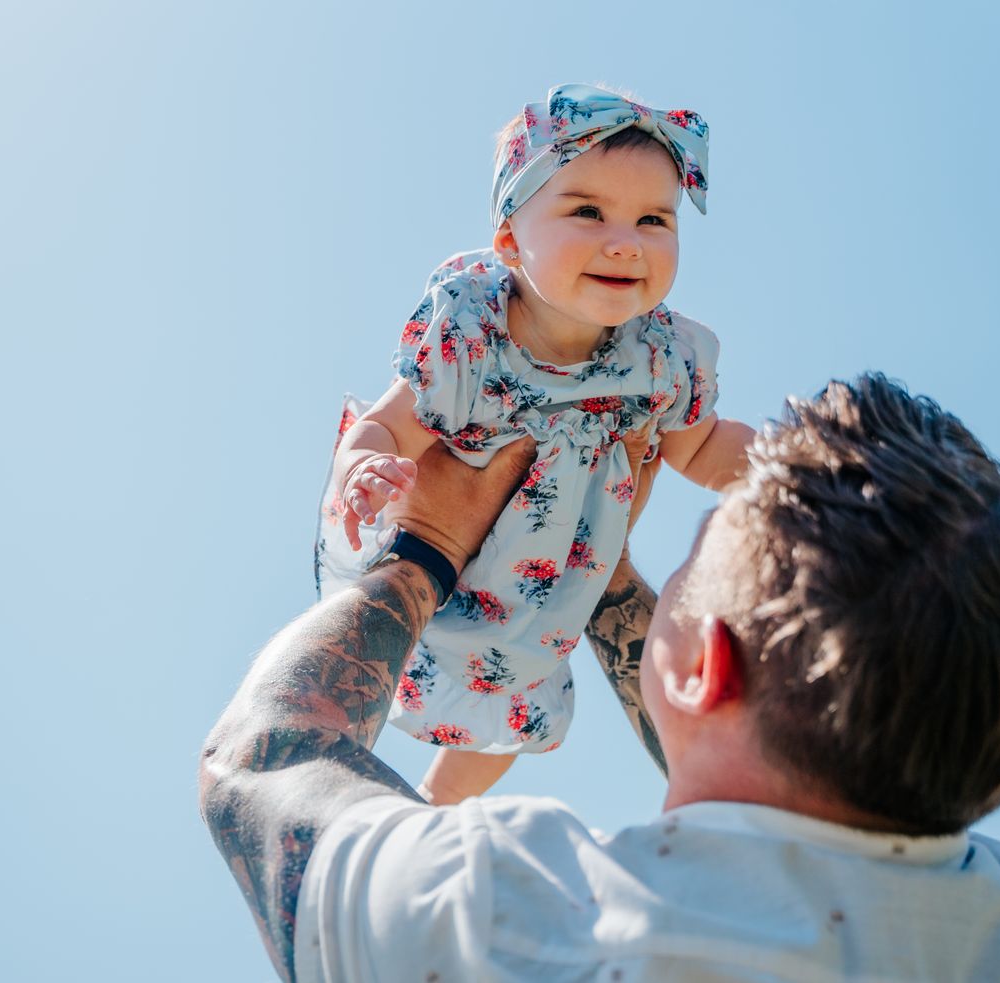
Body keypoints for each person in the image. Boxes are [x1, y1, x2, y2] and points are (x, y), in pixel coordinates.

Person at [203, 374, 1000, 982]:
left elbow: (262, 762)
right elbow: (772, 784)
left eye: (695, 553)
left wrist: (426, 550)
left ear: (701, 665)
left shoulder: (541, 925)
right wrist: (600, 574)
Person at [317, 82, 754, 805]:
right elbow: (392, 423)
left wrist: (790, 469)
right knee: (353, 672)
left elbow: (702, 446)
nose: (625, 241)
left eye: (654, 219)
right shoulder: (473, 335)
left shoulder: (662, 358)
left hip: (536, 601)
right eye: (588, 212)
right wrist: (366, 463)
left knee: (511, 722)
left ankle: (438, 808)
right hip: (432, 565)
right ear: (510, 241)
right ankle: (326, 797)